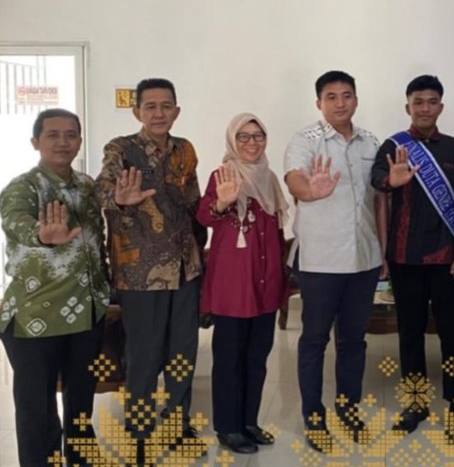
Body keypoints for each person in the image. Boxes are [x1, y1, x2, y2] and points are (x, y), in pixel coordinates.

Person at [95, 78, 207, 452]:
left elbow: (194, 204)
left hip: (185, 268)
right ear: (137, 112)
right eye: (151, 106)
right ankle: (140, 426)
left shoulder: (185, 149)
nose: (159, 113)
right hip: (139, 272)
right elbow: (102, 189)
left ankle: (177, 424)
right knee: (143, 353)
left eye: (166, 106)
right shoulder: (121, 149)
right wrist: (120, 198)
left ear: (177, 110)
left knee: (182, 352)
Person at [0, 108, 110, 466]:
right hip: (35, 316)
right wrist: (42, 236)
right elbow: (14, 220)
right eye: (53, 135)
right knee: (37, 409)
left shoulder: (87, 186)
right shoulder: (23, 187)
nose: (63, 142)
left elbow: (98, 243)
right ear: (36, 142)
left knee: (81, 401)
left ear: (80, 140)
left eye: (71, 134)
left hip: (87, 312)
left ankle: (81, 459)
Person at [370, 75, 454, 444]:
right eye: (418, 102)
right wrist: (391, 181)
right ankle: (415, 403)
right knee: (410, 334)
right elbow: (376, 178)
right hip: (405, 259)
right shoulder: (394, 145)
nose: (425, 108)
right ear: (408, 107)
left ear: (440, 107)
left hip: (448, 259)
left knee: (453, 335)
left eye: (432, 102)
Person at [284, 70, 383, 453]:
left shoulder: (371, 142)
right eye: (331, 96)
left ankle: (348, 408)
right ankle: (313, 416)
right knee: (313, 340)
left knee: (354, 340)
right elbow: (294, 178)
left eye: (346, 95)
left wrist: (383, 250)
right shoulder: (305, 139)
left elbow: (379, 199)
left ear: (356, 99)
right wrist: (310, 190)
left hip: (364, 258)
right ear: (319, 103)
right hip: (320, 260)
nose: (340, 103)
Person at [197, 113, 289, 454]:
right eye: (244, 137)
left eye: (258, 136)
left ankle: (249, 421)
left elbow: (277, 232)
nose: (252, 143)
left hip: (265, 282)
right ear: (232, 141)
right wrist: (223, 201)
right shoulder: (223, 175)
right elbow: (204, 216)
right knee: (229, 359)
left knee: (257, 357)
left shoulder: (270, 178)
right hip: (233, 285)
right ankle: (228, 427)